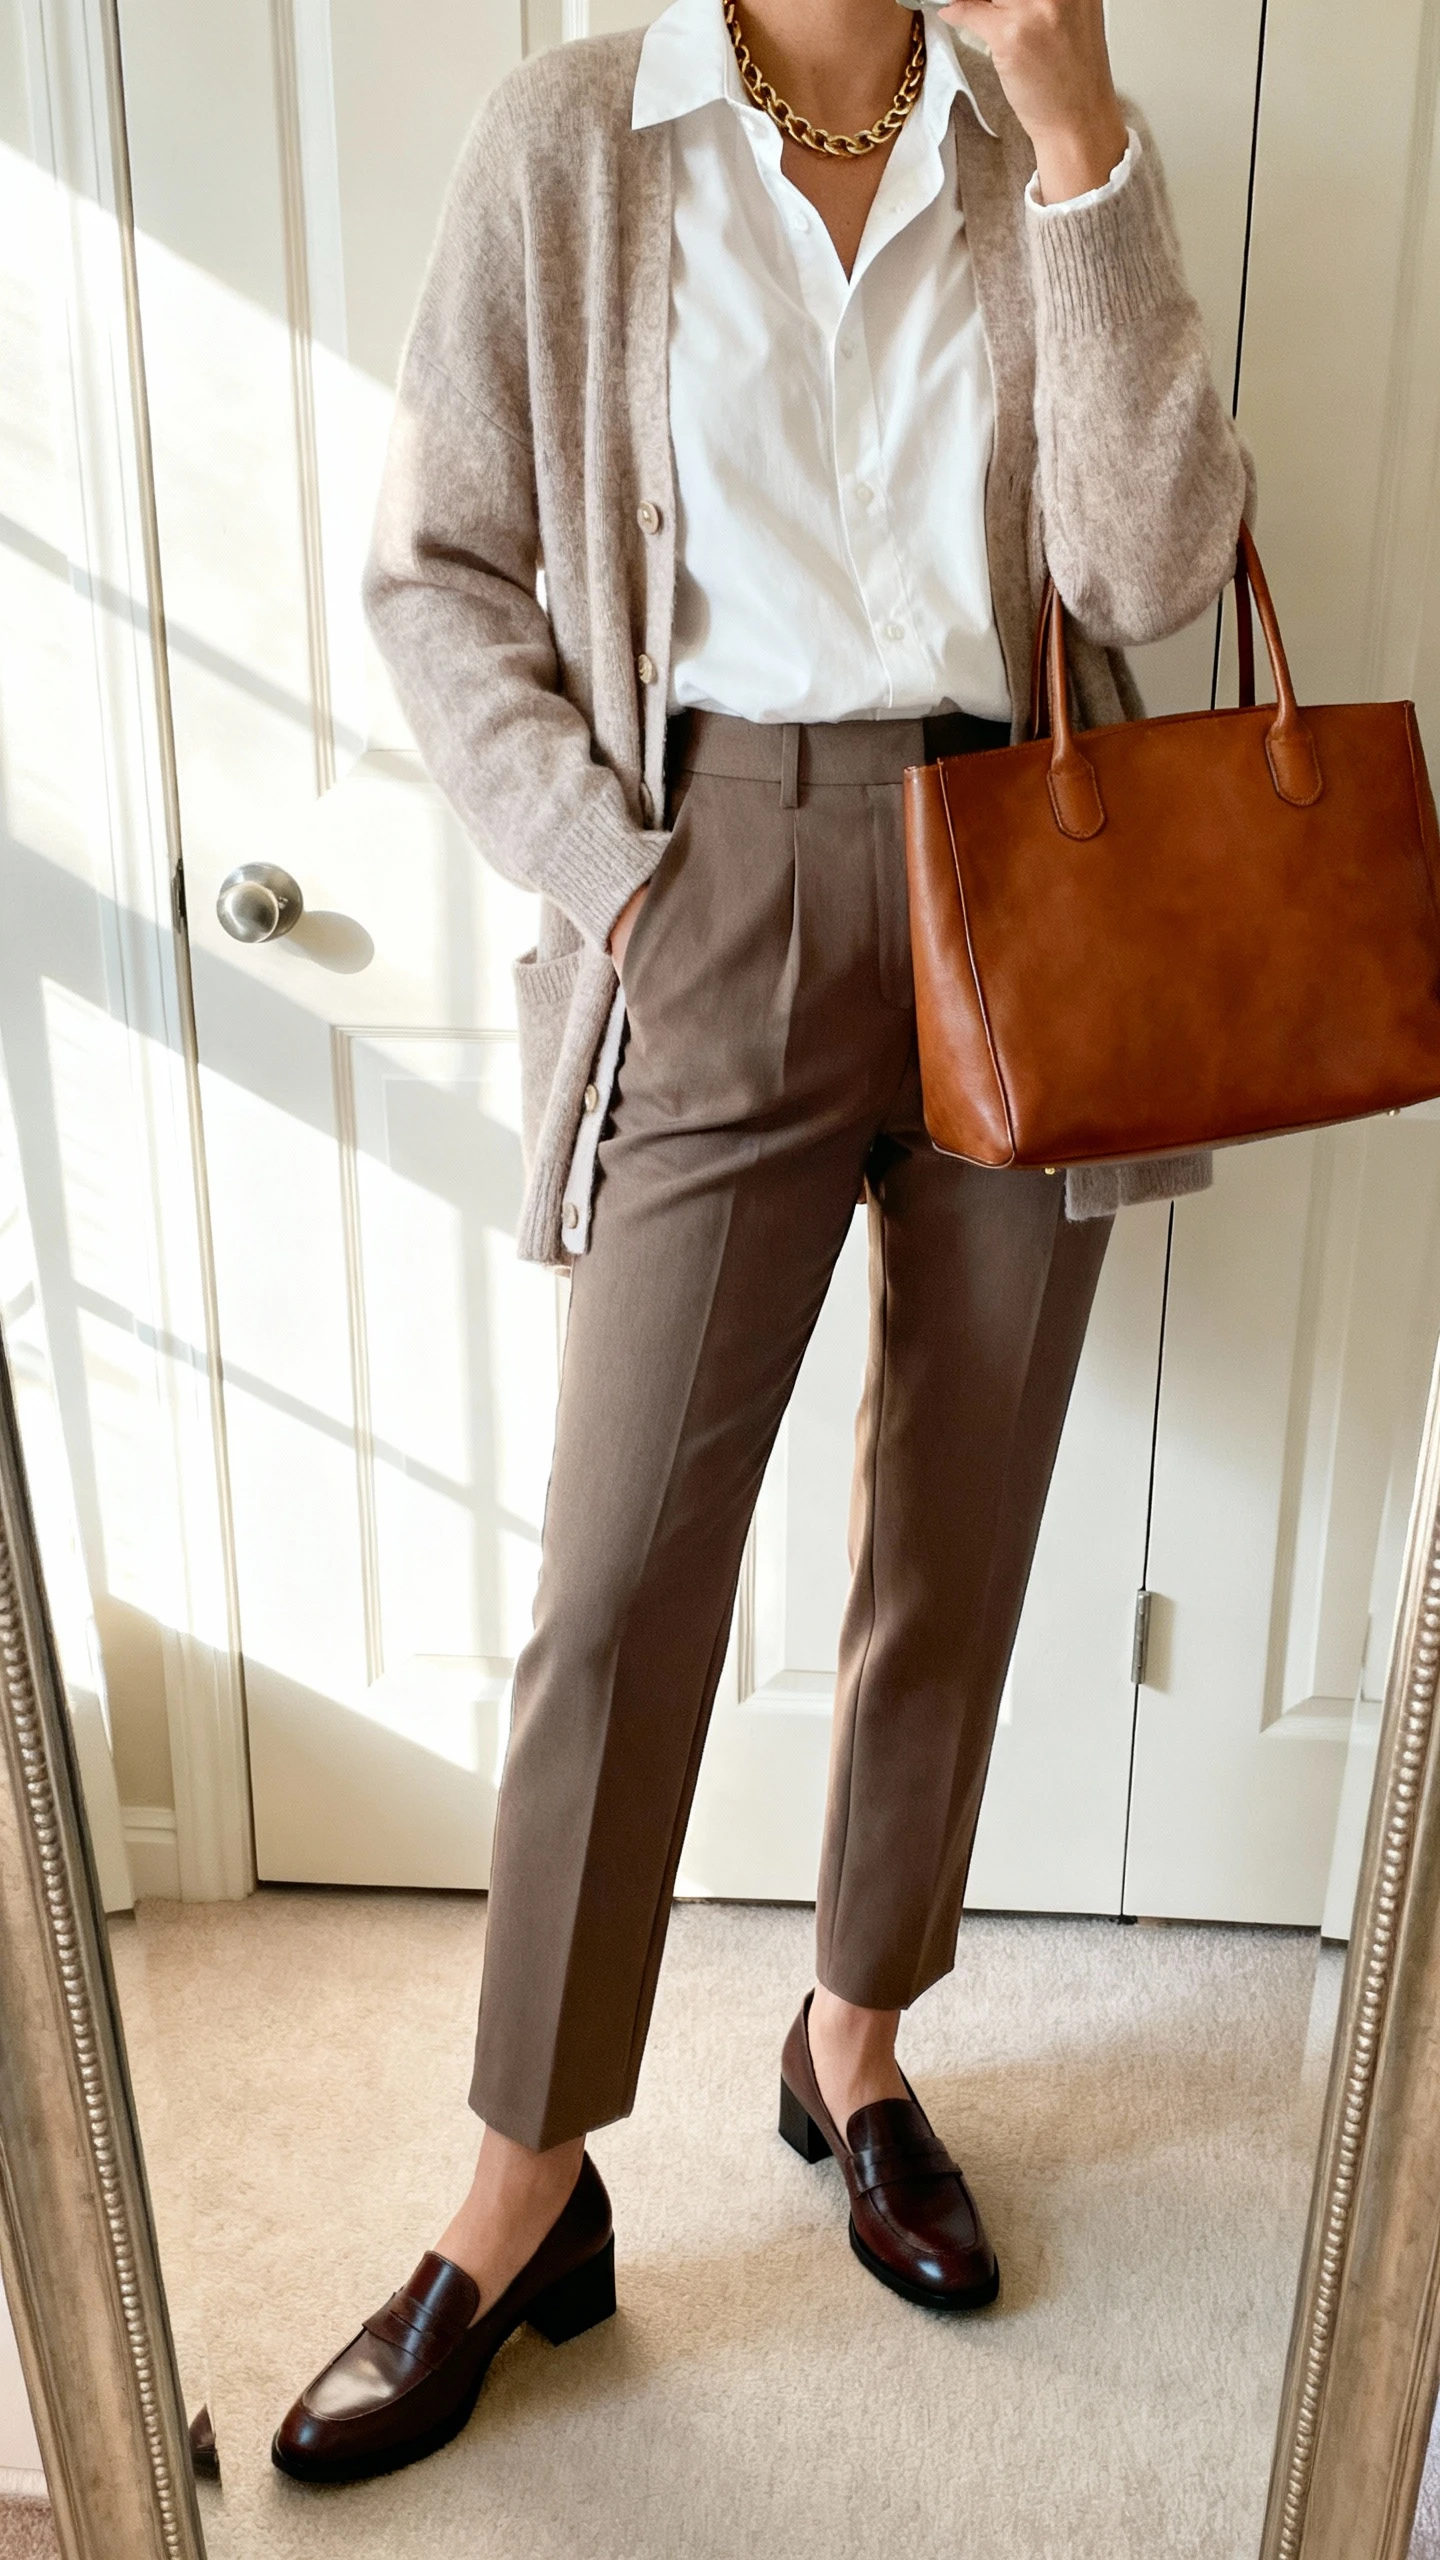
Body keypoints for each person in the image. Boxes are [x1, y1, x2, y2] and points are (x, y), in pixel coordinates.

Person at [273, 0, 1249, 2482]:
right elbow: (436, 566)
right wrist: (617, 873)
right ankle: (523, 2183)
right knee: (615, 1582)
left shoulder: (1047, 147)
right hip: (704, 879)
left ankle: (855, 2042)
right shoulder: (576, 144)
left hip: (1025, 878)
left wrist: (1081, 132)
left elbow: (1146, 555)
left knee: (956, 1534)